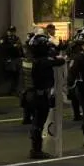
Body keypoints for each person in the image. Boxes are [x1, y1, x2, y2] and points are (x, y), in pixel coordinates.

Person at [26, 31, 67, 159]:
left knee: (35, 122)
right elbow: (58, 62)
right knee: (39, 123)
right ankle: (36, 150)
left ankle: (35, 147)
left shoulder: (30, 59)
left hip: (29, 95)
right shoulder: (42, 61)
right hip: (39, 95)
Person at [0, 25, 24, 97]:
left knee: (17, 75)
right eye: (10, 31)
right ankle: (10, 90)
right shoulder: (4, 39)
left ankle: (15, 90)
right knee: (11, 75)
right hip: (9, 59)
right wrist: (13, 46)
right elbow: (3, 48)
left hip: (16, 59)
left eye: (13, 31)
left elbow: (20, 48)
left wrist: (22, 56)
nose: (11, 33)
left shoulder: (16, 38)